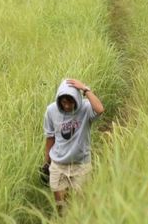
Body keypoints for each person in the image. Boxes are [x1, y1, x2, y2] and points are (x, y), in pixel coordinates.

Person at [42, 78, 104, 214]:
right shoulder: (51, 111)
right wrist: (46, 162)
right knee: (61, 207)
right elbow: (50, 138)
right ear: (59, 100)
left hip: (80, 164)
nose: (67, 106)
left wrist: (85, 89)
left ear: (77, 98)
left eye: (71, 102)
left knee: (79, 206)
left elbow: (100, 109)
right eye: (64, 102)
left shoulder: (86, 108)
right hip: (59, 164)